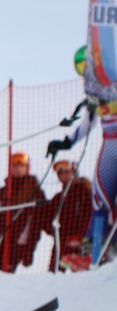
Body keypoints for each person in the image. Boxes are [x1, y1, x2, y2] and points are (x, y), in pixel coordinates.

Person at [46, 45, 117, 265]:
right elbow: (87, 123)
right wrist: (66, 142)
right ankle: (94, 253)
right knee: (100, 198)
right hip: (110, 143)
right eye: (81, 70)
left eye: (87, 68)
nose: (86, 75)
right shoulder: (94, 94)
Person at [0, 151, 48, 273]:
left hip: (17, 244)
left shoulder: (35, 193)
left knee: (6, 279)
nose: (17, 169)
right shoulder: (3, 191)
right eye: (14, 165)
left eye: (21, 165)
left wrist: (30, 249)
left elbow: (37, 224)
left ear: (27, 167)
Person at [43, 159, 94, 272]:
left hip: (85, 241)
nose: (63, 175)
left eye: (66, 171)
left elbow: (91, 217)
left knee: (87, 273)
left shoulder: (86, 192)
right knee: (54, 272)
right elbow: (46, 221)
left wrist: (81, 236)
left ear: (74, 172)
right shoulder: (58, 198)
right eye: (60, 173)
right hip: (64, 243)